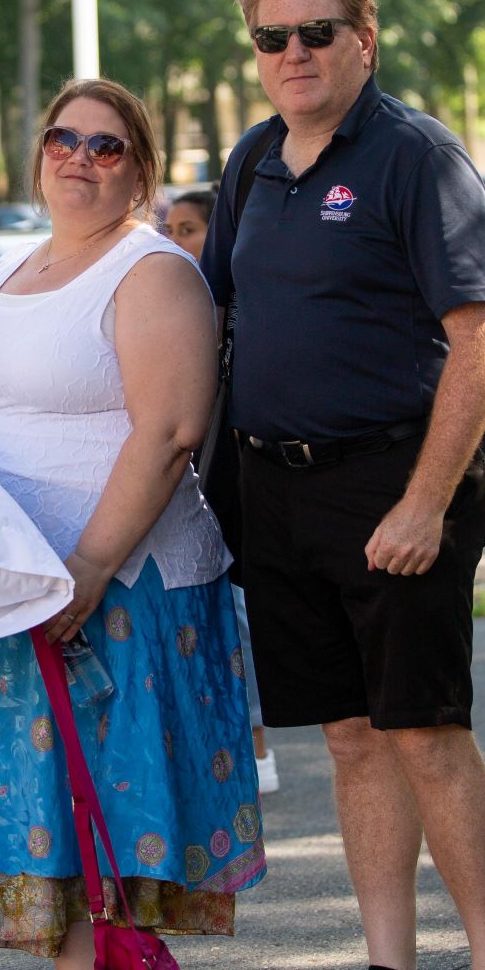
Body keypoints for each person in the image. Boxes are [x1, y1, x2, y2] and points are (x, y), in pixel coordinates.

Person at [198, 0, 485, 970]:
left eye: (316, 33)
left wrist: (427, 500)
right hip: (276, 492)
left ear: (363, 39)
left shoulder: (415, 157)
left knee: (425, 731)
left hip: (394, 482)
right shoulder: (253, 164)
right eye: (272, 38)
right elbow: (214, 320)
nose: (293, 54)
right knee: (349, 737)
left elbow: (478, 338)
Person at [0, 78, 265, 970]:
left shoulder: (152, 272)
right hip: (17, 584)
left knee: (95, 790)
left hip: (119, 577)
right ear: (38, 155)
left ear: (139, 171)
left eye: (107, 147)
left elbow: (168, 431)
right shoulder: (8, 265)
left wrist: (88, 568)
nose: (80, 158)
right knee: (41, 792)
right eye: (63, 138)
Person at [164, 189, 279, 797]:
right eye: (170, 227)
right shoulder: (172, 300)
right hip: (189, 487)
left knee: (237, 615)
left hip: (226, 484)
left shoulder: (231, 307)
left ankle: (256, 745)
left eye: (190, 228)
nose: (177, 239)